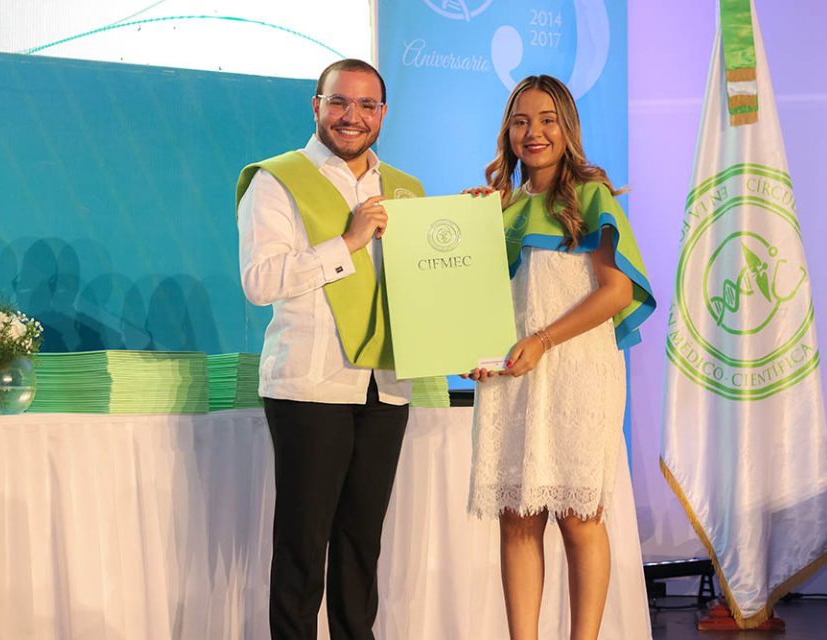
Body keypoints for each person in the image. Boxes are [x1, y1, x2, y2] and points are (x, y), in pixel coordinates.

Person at [236, 59, 424, 640]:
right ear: (316, 105)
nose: (352, 117)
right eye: (339, 102)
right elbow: (260, 281)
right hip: (311, 382)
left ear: (383, 114)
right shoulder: (276, 180)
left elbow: (425, 288)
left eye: (367, 106)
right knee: (303, 546)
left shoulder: (405, 190)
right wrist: (347, 242)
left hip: (385, 386)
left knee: (361, 546)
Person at [465, 75, 656, 639]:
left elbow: (617, 292)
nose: (534, 132)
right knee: (517, 518)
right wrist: (467, 346)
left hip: (577, 373)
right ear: (507, 132)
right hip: (514, 376)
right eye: (521, 121)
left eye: (547, 120)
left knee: (579, 519)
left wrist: (544, 340)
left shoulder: (591, 196)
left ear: (567, 127)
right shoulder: (497, 208)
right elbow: (476, 300)